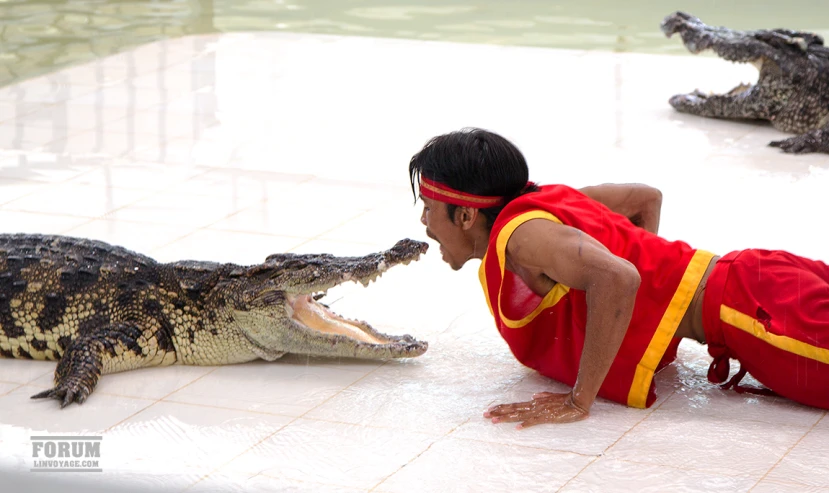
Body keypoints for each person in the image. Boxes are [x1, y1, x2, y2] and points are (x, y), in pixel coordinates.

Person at [408, 127, 829, 429]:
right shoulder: (548, 199)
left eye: (428, 207)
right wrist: (656, 312)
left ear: (464, 215)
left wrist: (579, 399)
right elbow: (646, 198)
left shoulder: (521, 237)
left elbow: (619, 278)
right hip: (757, 277)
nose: (424, 221)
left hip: (754, 313)